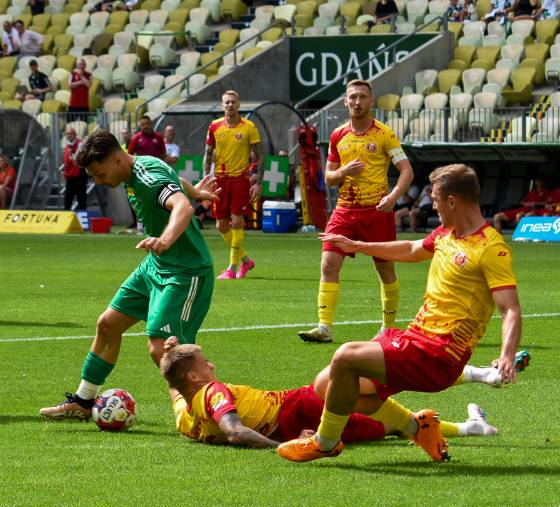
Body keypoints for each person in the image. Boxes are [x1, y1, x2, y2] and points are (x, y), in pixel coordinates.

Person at [278, 163, 522, 463]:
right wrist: (357, 245)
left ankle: (324, 443)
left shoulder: (491, 248)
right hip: (416, 339)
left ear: (452, 201)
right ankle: (417, 428)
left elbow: (510, 308)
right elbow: (411, 248)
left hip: (440, 353)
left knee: (345, 355)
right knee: (327, 384)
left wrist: (507, 354)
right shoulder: (447, 234)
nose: (431, 204)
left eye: (435, 198)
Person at [38, 129, 220, 420]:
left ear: (117, 158)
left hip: (185, 272)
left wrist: (165, 239)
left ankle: (206, 411)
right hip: (155, 266)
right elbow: (173, 184)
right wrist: (195, 189)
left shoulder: (146, 175)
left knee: (161, 346)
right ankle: (84, 402)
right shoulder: (139, 168)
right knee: (107, 324)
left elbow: (182, 208)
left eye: (99, 173)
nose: (98, 181)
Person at [161, 338, 501, 449]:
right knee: (389, 406)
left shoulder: (184, 417)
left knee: (390, 411)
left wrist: (168, 355)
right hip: (301, 411)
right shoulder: (212, 392)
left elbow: (174, 388)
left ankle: (476, 402)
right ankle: (475, 411)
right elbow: (234, 430)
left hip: (299, 412)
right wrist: (288, 446)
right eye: (206, 365)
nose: (213, 367)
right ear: (195, 376)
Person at [298, 80, 413, 343]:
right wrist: (343, 172)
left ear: (370, 101)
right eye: (353, 97)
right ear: (345, 102)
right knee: (328, 263)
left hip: (377, 210)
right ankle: (324, 327)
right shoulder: (338, 135)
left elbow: (407, 171)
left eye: (362, 97)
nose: (357, 102)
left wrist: (393, 197)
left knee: (385, 270)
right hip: (345, 210)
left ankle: (388, 328)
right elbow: (328, 177)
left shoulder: (384, 134)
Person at [203, 90, 263, 281]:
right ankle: (246, 260)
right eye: (227, 102)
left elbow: (260, 156)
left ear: (238, 105)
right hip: (220, 179)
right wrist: (206, 179)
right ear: (223, 105)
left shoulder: (249, 127)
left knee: (237, 221)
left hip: (240, 180)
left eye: (233, 102)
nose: (230, 105)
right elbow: (207, 154)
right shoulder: (214, 126)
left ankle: (232, 268)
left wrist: (258, 183)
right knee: (221, 225)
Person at [63, 126, 86, 211]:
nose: (69, 135)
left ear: (75, 135)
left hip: (80, 175)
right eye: (67, 134)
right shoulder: (68, 146)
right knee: (68, 198)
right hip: (70, 176)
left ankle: (83, 218)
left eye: (71, 134)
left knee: (81, 197)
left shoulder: (80, 144)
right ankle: (66, 217)